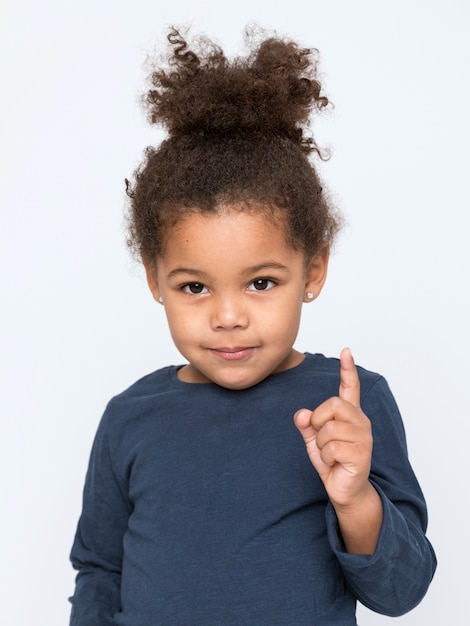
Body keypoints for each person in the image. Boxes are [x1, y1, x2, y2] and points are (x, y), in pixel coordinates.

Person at [69, 27, 437, 625]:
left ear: (312, 269)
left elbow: (402, 592)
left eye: (261, 282)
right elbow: (100, 570)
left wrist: (357, 498)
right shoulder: (128, 417)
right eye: (195, 286)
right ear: (154, 278)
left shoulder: (350, 407)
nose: (228, 315)